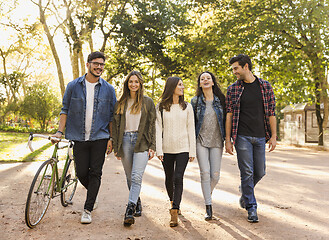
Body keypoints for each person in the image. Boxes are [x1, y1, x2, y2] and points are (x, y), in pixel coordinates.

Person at [53, 51, 117, 224]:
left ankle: (87, 209)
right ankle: (93, 194)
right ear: (88, 64)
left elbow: (112, 117)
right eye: (96, 63)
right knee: (82, 172)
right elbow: (64, 109)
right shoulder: (73, 86)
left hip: (100, 137)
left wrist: (111, 139)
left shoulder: (109, 89)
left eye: (102, 64)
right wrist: (59, 131)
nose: (99, 67)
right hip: (78, 137)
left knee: (96, 172)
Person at [225, 54, 276, 223]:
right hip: (242, 136)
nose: (234, 72)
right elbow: (229, 115)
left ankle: (245, 193)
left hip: (261, 136)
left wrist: (274, 136)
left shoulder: (265, 86)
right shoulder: (233, 89)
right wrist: (228, 139)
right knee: (246, 172)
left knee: (260, 171)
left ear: (246, 66)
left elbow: (271, 113)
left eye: (236, 68)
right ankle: (251, 207)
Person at [112, 70, 156, 227]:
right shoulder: (120, 103)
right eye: (131, 81)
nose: (133, 84)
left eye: (136, 81)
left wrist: (153, 146)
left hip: (142, 141)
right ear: (127, 84)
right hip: (125, 140)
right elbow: (115, 127)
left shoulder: (148, 102)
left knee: (137, 176)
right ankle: (136, 202)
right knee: (130, 176)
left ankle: (129, 210)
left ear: (140, 84)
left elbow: (152, 125)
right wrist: (117, 147)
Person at [156, 76, 196, 227]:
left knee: (178, 177)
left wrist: (192, 150)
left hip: (183, 149)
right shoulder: (160, 107)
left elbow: (190, 128)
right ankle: (174, 201)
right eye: (180, 85)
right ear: (172, 87)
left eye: (182, 85)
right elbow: (158, 128)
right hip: (166, 149)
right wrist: (159, 149)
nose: (182, 87)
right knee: (169, 177)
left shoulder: (187, 107)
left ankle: (174, 210)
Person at [191, 71, 226, 221]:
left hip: (217, 141)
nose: (205, 80)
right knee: (205, 173)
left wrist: (229, 139)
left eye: (208, 78)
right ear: (200, 84)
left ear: (213, 82)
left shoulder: (222, 101)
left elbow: (227, 121)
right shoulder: (195, 102)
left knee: (215, 176)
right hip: (201, 141)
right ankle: (208, 206)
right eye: (202, 79)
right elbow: (191, 124)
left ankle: (207, 194)